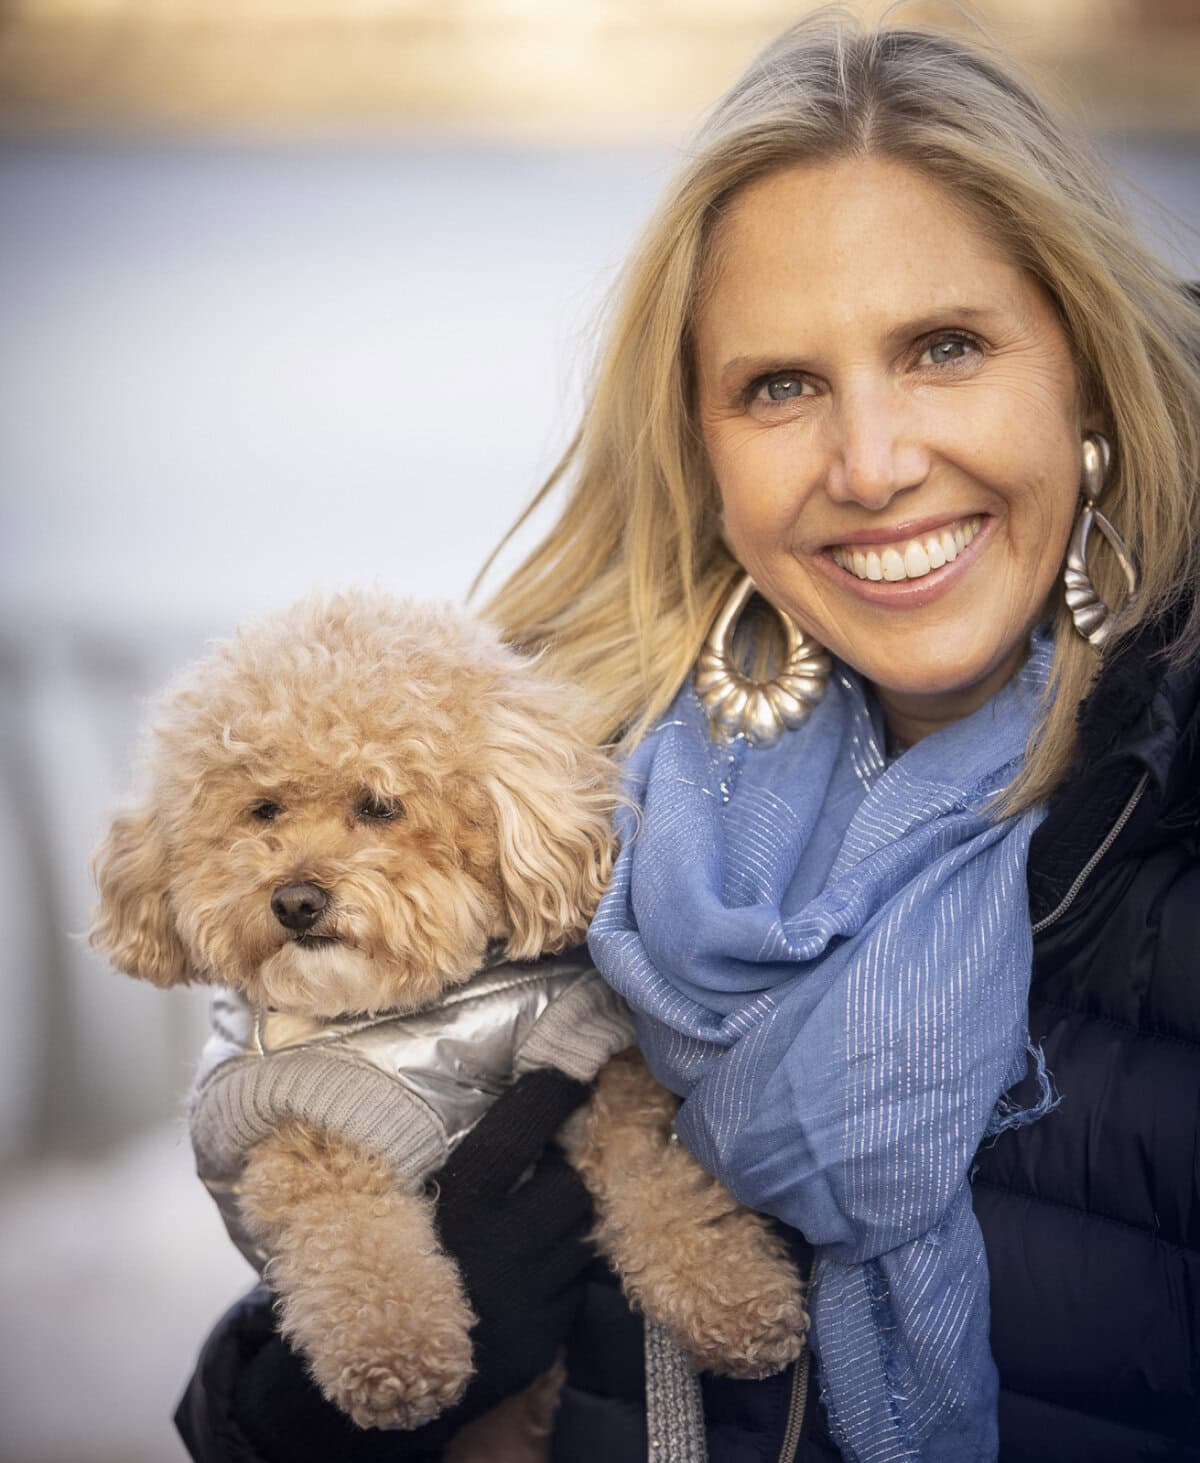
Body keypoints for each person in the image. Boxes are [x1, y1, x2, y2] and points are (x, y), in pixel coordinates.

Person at [176, 14, 1200, 1462]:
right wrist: (330, 1413)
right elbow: (284, 1367)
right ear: (701, 451)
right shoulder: (575, 806)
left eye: (945, 348)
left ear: (1085, 374)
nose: (872, 462)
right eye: (780, 385)